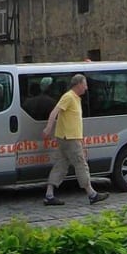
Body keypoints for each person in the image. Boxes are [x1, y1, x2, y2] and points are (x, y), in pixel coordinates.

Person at [41, 73, 109, 206]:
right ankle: (92, 194)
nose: (86, 87)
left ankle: (49, 195)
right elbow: (54, 112)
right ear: (78, 84)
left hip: (69, 138)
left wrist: (81, 142)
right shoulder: (68, 97)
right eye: (85, 84)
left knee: (61, 165)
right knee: (81, 164)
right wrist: (48, 128)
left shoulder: (76, 98)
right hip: (69, 138)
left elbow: (75, 122)